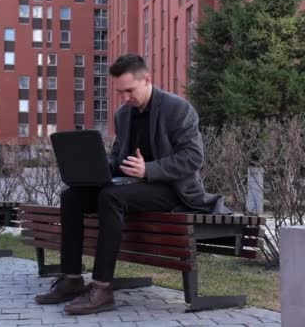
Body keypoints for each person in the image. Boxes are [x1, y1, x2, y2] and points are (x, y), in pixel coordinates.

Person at [34, 53, 230, 315]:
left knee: (111, 197)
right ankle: (71, 279)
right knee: (71, 196)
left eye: (129, 90)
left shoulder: (178, 109)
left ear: (147, 79)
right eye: (120, 92)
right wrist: (96, 167)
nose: (125, 98)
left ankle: (102, 288)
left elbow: (194, 158)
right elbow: (118, 158)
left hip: (172, 191)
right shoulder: (123, 114)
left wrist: (148, 169)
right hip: (132, 187)